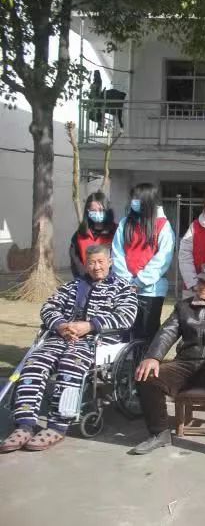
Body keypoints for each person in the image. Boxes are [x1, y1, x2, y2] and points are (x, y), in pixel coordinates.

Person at [0, 245, 137, 453]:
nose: (96, 267)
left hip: (94, 341)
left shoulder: (123, 288)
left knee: (70, 365)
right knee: (34, 363)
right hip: (62, 337)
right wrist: (60, 325)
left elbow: (126, 316)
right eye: (91, 262)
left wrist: (90, 325)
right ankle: (25, 424)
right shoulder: (72, 286)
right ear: (85, 264)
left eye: (101, 261)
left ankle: (58, 425)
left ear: (110, 262)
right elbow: (49, 307)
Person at [132, 263, 205, 463]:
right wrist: (153, 357)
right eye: (200, 281)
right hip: (186, 363)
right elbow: (167, 331)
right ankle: (159, 433)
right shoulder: (183, 306)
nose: (202, 286)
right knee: (146, 376)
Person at [112, 183, 175, 344]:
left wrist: (140, 281)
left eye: (137, 198)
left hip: (151, 291)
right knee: (125, 330)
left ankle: (145, 359)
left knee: (147, 332)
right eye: (133, 198)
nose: (133, 201)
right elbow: (117, 253)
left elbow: (163, 259)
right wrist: (127, 281)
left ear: (148, 200)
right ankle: (126, 359)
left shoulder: (162, 225)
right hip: (125, 288)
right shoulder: (125, 223)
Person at [69, 191, 117, 279]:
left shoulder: (116, 232)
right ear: (88, 212)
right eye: (93, 211)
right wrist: (86, 278)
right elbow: (75, 260)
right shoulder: (80, 234)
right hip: (86, 280)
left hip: (111, 280)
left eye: (101, 210)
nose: (97, 213)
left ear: (107, 211)